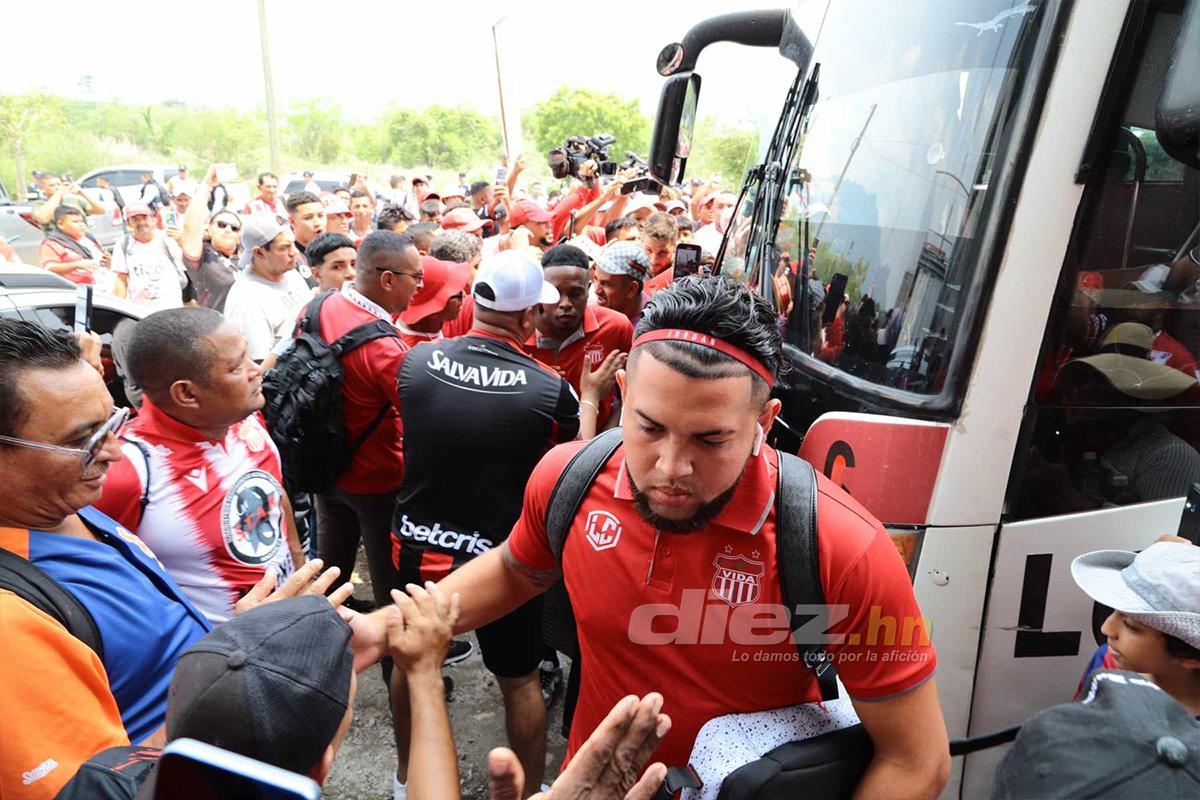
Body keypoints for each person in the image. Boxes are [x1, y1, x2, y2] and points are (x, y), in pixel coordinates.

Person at [435, 278, 951, 796]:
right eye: (649, 428)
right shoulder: (570, 478)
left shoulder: (844, 546)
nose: (670, 467)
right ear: (623, 395)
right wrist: (394, 625)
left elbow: (916, 761)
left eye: (711, 439)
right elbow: (518, 569)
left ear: (763, 424)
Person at [389, 250, 581, 797]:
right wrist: (588, 399)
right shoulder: (551, 390)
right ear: (528, 319)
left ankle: (405, 782)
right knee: (519, 680)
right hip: (503, 562)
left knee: (410, 664)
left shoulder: (414, 361)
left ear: (474, 302)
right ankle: (520, 792)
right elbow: (570, 466)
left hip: (418, 545)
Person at [0, 319, 211, 799]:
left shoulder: (63, 504)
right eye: (84, 439)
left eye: (112, 421)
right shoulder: (8, 623)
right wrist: (233, 672)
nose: (115, 451)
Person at [93, 308, 304, 624]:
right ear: (187, 393)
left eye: (248, 356)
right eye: (236, 367)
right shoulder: (126, 470)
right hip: (221, 661)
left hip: (296, 622)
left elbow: (273, 495)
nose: (256, 370)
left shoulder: (243, 416)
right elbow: (102, 583)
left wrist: (300, 567)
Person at [310, 231, 423, 616]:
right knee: (391, 587)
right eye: (416, 278)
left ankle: (329, 651)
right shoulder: (385, 348)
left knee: (331, 572)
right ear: (388, 279)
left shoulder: (320, 305)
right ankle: (399, 669)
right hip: (376, 479)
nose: (419, 289)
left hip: (323, 463)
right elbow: (419, 418)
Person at [1070, 541, 1200, 715]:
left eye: (1131, 626)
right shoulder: (1107, 661)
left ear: (1190, 658)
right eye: (1114, 611)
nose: (1106, 628)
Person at [530, 243, 632, 433]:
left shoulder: (616, 327)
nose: (565, 304)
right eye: (555, 293)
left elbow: (634, 391)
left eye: (576, 293)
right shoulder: (519, 332)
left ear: (589, 288)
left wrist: (607, 438)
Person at [222, 215, 313, 362]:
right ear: (259, 253)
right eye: (284, 248)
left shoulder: (290, 273)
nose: (294, 252)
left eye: (293, 244)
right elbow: (259, 367)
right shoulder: (246, 301)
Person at [179, 166, 243, 311]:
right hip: (219, 328)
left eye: (234, 228)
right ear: (208, 229)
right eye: (221, 225)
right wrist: (207, 185)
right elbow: (190, 227)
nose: (228, 229)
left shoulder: (246, 257)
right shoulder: (203, 257)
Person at [112, 203, 191, 311]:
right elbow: (121, 279)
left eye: (144, 218)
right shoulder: (123, 243)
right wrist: (119, 309)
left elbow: (190, 262)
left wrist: (182, 240)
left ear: (153, 219)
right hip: (141, 312)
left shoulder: (167, 238)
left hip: (172, 308)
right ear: (129, 223)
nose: (141, 223)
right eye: (135, 219)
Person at [396, 256, 471, 349]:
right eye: (457, 294)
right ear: (432, 313)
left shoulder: (436, 322)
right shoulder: (414, 351)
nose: (464, 295)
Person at [37, 205, 112, 287]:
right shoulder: (53, 243)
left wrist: (109, 261)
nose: (81, 225)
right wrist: (76, 265)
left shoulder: (89, 238)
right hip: (75, 290)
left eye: (82, 221)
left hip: (102, 286)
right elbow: (49, 269)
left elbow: (104, 259)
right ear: (60, 224)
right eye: (75, 222)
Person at [593, 241, 651, 324]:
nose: (597, 291)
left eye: (606, 284)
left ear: (631, 289)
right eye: (596, 279)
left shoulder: (648, 328)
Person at [31, 174, 105, 231]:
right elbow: (43, 219)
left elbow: (101, 210)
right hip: (59, 243)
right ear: (43, 189)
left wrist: (82, 193)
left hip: (81, 239)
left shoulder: (73, 199)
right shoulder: (40, 204)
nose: (57, 187)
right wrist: (59, 193)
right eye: (52, 185)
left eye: (59, 184)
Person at [286, 190, 327, 277]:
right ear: (292, 221)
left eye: (320, 216)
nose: (317, 223)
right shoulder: (289, 259)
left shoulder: (333, 251)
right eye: (308, 218)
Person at [640, 212, 681, 293]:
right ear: (641, 241)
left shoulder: (682, 276)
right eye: (648, 250)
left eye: (662, 253)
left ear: (675, 247)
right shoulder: (628, 267)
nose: (653, 261)